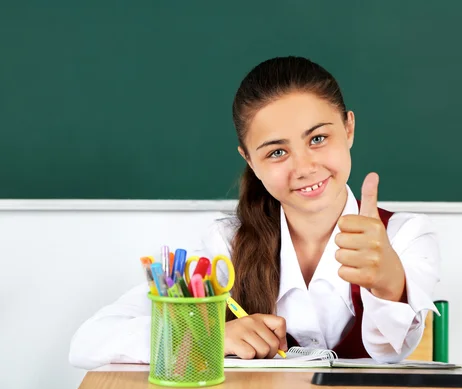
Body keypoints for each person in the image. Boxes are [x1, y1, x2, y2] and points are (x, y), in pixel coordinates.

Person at [69, 56, 440, 370]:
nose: (304, 166)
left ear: (349, 128)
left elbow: (390, 351)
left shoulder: (404, 236)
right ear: (250, 160)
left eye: (318, 138)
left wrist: (390, 284)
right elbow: (89, 340)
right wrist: (208, 336)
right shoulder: (224, 247)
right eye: (277, 152)